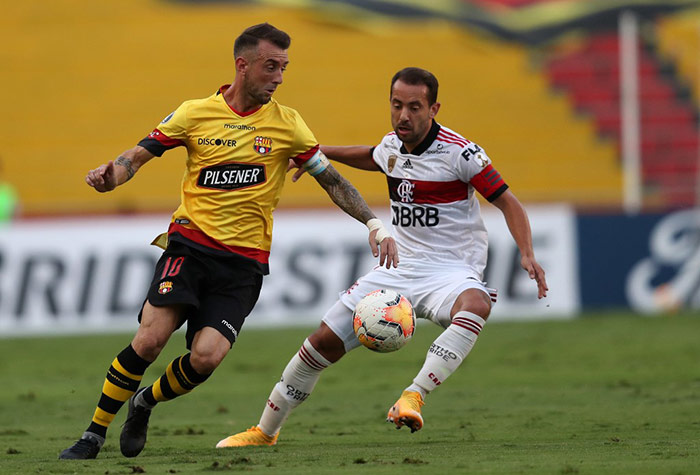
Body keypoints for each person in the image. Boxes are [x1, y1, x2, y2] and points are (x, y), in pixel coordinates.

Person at [59, 23, 398, 460]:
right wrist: (111, 177)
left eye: (284, 68)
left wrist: (374, 224)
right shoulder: (194, 113)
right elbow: (136, 156)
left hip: (242, 265)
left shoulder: (288, 125)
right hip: (190, 248)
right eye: (271, 66)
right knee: (148, 341)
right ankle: (93, 433)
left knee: (205, 358)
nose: (279, 77)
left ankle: (144, 403)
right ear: (243, 65)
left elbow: (332, 181)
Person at [216, 67, 548, 448]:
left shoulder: (461, 154)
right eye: (396, 105)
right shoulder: (393, 145)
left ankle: (414, 395)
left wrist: (527, 253)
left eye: (414, 107)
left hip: (451, 270)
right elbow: (373, 156)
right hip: (398, 268)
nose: (403, 115)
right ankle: (265, 431)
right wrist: (315, 154)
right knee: (322, 341)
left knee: (475, 305)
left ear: (433, 108)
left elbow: (508, 201)